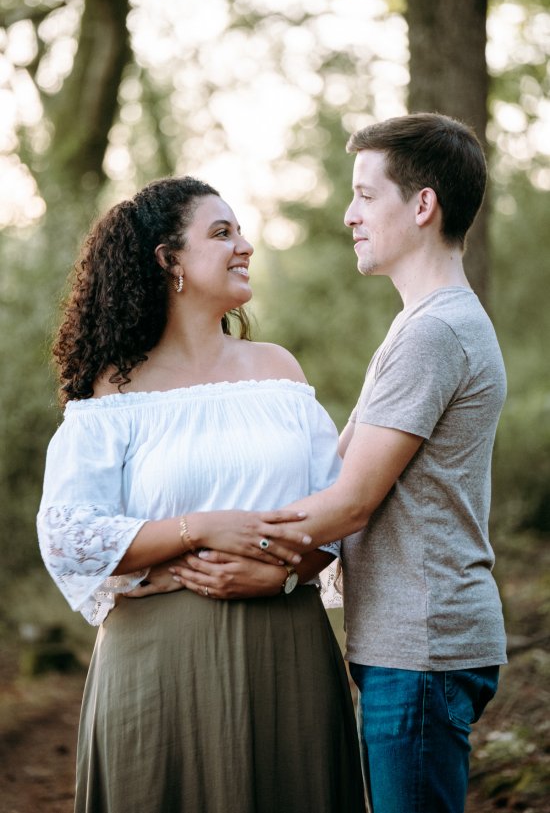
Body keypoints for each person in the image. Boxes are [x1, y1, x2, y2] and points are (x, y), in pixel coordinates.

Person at [167, 114, 508, 813]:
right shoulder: (423, 323)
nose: (349, 214)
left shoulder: (435, 331)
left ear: (422, 205)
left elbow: (349, 501)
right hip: (415, 645)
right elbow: (339, 473)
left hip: (424, 648)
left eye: (365, 194)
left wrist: (232, 543)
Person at [37, 176, 366, 813]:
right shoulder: (113, 392)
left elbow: (338, 516)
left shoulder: (278, 371)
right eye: (222, 233)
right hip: (156, 667)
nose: (244, 246)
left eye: (240, 231)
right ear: (169, 260)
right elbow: (68, 531)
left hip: (286, 656)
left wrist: (284, 576)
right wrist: (200, 527)